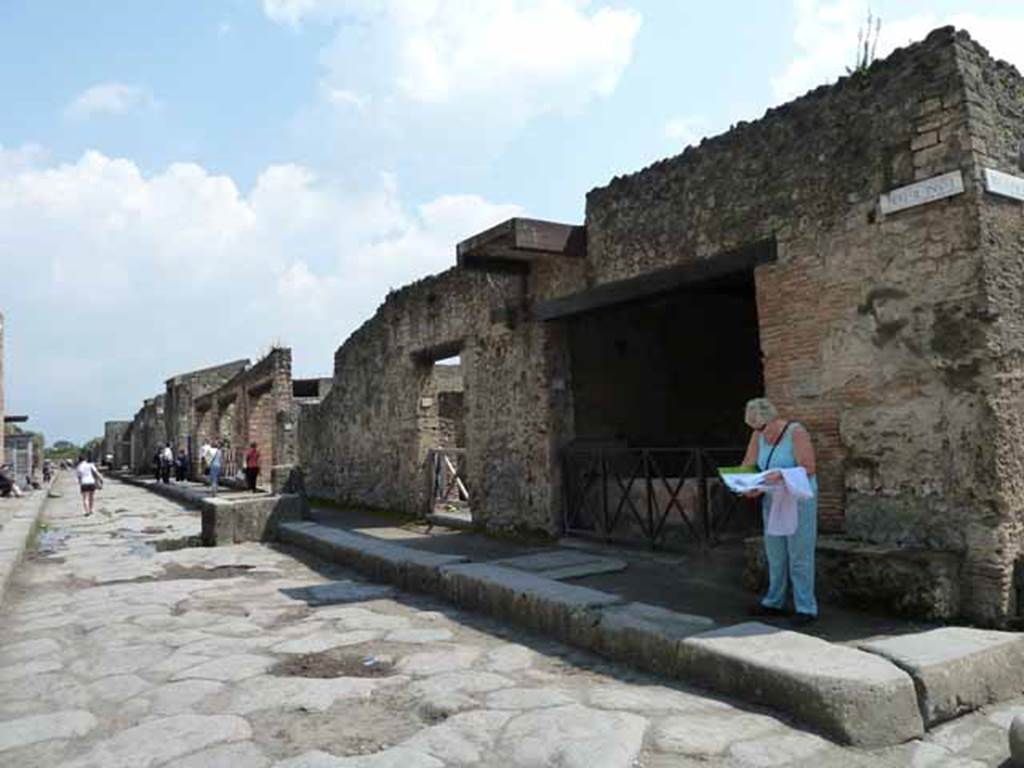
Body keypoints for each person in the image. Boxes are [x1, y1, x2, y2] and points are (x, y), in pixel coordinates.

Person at [740, 397, 818, 627]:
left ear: (773, 419)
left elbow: (809, 467)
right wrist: (746, 484)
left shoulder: (796, 432)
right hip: (774, 500)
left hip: (797, 500)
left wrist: (781, 474)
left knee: (799, 556)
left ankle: (806, 608)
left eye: (763, 427)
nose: (760, 432)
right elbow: (748, 464)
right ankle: (774, 601)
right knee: (775, 553)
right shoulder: (758, 435)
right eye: (755, 428)